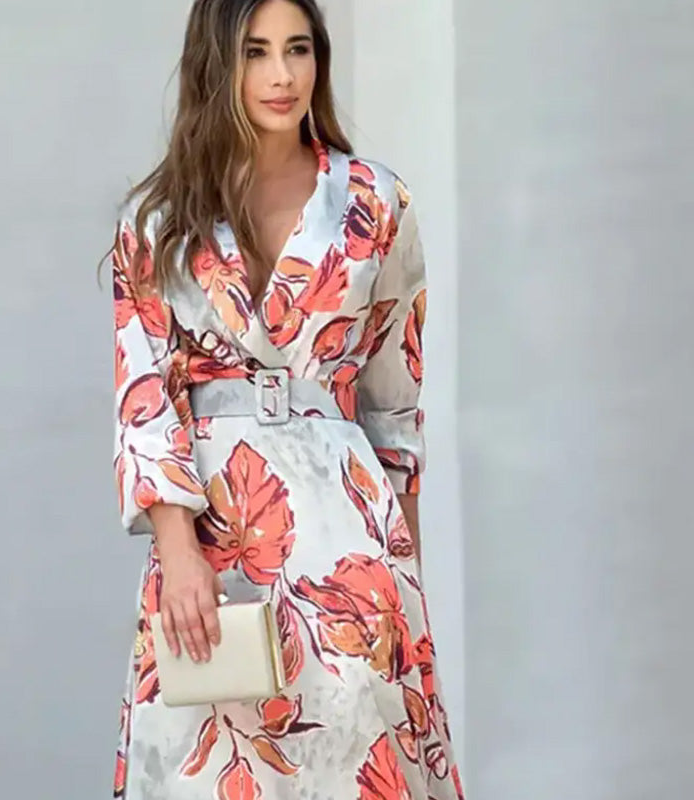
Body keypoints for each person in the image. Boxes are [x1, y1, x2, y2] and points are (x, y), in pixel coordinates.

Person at [107, 0, 465, 797]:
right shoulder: (159, 219)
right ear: (218, 65)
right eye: (256, 52)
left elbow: (394, 405)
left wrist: (405, 574)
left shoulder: (376, 205)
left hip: (347, 541)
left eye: (298, 50)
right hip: (213, 539)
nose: (281, 75)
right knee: (209, 766)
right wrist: (177, 550)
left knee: (354, 765)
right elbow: (144, 395)